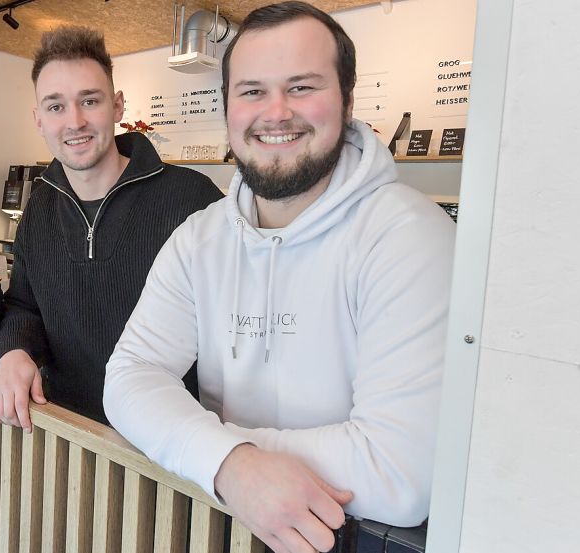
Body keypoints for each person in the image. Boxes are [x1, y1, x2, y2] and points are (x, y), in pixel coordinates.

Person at [103, 3, 455, 552]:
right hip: (223, 528)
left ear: (347, 100)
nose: (276, 112)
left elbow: (401, 473)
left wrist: (200, 447)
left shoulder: (410, 236)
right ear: (228, 108)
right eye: (251, 91)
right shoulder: (199, 238)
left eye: (301, 86)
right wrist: (231, 466)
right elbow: (129, 377)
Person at [0, 26, 223, 430]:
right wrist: (13, 351)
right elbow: (25, 305)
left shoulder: (192, 200)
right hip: (67, 433)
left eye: (89, 101)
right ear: (39, 120)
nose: (74, 121)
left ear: (116, 107)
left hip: (171, 448)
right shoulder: (42, 204)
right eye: (56, 106)